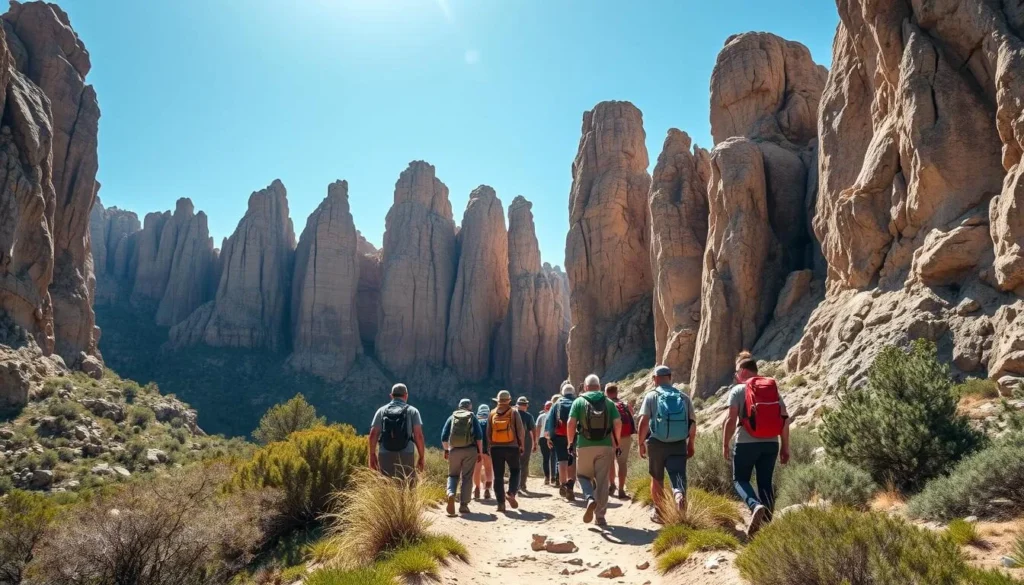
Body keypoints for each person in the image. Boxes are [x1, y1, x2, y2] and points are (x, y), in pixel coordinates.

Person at [722, 351, 790, 537]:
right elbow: (784, 418)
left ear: (743, 371)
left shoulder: (738, 390)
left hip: (746, 442)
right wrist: (785, 447)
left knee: (740, 479)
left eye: (737, 371)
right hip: (771, 444)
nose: (735, 375)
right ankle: (766, 527)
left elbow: (731, 419)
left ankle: (754, 505)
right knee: (765, 482)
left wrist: (725, 444)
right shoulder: (772, 388)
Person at [636, 365, 696, 524]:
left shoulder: (651, 396)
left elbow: (643, 421)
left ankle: (660, 512)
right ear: (670, 377)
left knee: (657, 478)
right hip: (678, 443)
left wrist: (640, 443)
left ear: (654, 379)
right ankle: (679, 496)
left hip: (656, 443)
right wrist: (691, 445)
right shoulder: (683, 397)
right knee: (678, 477)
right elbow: (692, 424)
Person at [567, 374, 622, 527]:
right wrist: (616, 443)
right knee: (603, 481)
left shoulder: (579, 401)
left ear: (585, 387)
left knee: (583, 476)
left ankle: (589, 498)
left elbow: (570, 424)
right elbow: (618, 423)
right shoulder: (609, 402)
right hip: (605, 446)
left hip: (584, 445)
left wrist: (570, 443)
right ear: (599, 386)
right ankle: (600, 517)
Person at [369, 383, 426, 480]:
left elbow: (373, 435)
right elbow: (418, 436)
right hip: (406, 453)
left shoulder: (381, 411)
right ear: (406, 395)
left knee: (385, 485)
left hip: (385, 453)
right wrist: (421, 457)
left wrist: (372, 455)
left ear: (391, 395)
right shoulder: (413, 411)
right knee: (407, 485)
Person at [441, 398, 484, 515]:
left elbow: (444, 437)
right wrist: (480, 452)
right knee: (467, 477)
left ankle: (451, 493)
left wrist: (446, 450)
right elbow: (479, 437)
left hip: (454, 451)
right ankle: (464, 505)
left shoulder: (452, 417)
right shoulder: (472, 417)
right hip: (470, 450)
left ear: (459, 406)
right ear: (470, 407)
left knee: (453, 475)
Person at [488, 390, 526, 512]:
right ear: (509, 400)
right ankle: (511, 493)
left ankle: (500, 503)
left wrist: (490, 446)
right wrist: (522, 445)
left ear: (498, 401)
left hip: (496, 448)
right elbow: (520, 431)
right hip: (512, 447)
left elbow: (488, 433)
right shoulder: (514, 412)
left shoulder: (492, 413)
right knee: (515, 471)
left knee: (498, 476)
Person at [545, 384, 578, 500]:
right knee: (572, 458)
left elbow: (549, 421)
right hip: (574, 435)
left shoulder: (557, 403)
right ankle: (570, 485)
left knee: (562, 460)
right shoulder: (577, 401)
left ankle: (563, 483)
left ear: (563, 392)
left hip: (559, 436)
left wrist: (549, 438)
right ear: (573, 392)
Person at [605, 383, 635, 499]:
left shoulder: (606, 404)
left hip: (610, 437)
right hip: (625, 437)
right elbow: (631, 417)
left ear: (606, 393)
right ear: (616, 392)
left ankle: (612, 484)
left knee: (610, 461)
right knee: (622, 463)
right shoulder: (624, 404)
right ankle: (621, 489)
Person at [473, 404, 494, 500]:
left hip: (477, 450)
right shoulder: (491, 421)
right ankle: (487, 489)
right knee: (488, 469)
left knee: (476, 470)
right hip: (489, 450)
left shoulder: (475, 421)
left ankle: (476, 488)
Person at [516, 396, 537, 492]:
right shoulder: (528, 416)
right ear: (525, 406)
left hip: (512, 442)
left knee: (515, 463)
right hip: (526, 441)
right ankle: (522, 485)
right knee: (524, 464)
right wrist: (535, 443)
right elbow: (533, 429)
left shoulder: (512, 414)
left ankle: (515, 484)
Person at [536, 400, 554, 485]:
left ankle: (547, 477)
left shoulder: (541, 416)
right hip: (554, 438)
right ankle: (554, 477)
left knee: (546, 459)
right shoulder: (555, 416)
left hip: (543, 438)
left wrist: (536, 440)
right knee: (554, 458)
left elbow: (538, 428)